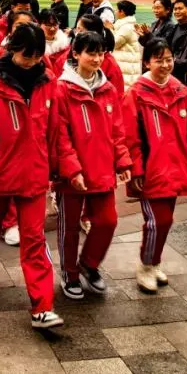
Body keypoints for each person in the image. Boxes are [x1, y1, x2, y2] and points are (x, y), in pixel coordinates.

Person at [0, 23, 65, 330]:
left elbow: (55, 129)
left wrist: (58, 167)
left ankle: (42, 306)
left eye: (38, 55)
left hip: (35, 174)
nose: (33, 61)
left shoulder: (48, 82)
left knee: (34, 239)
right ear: (12, 49)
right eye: (27, 55)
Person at [123, 38, 187, 293]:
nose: (166, 65)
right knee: (154, 221)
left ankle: (155, 261)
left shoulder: (181, 91)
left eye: (169, 59)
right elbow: (130, 135)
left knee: (166, 220)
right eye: (159, 60)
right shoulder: (136, 93)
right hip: (151, 169)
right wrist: (136, 168)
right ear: (147, 62)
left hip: (176, 166)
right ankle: (145, 265)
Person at [53, 32, 132, 299]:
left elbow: (117, 131)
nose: (97, 59)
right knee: (70, 226)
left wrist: (122, 160)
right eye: (91, 53)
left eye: (101, 54)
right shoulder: (62, 88)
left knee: (107, 221)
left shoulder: (107, 89)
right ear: (76, 54)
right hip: (72, 173)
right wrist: (72, 169)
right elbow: (61, 135)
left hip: (101, 169)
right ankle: (69, 272)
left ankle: (89, 264)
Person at [112, 0, 143, 88]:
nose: (115, 11)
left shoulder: (127, 27)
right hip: (125, 63)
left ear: (122, 12)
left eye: (117, 10)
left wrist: (109, 29)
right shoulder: (124, 25)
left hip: (127, 66)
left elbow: (114, 43)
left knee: (125, 90)